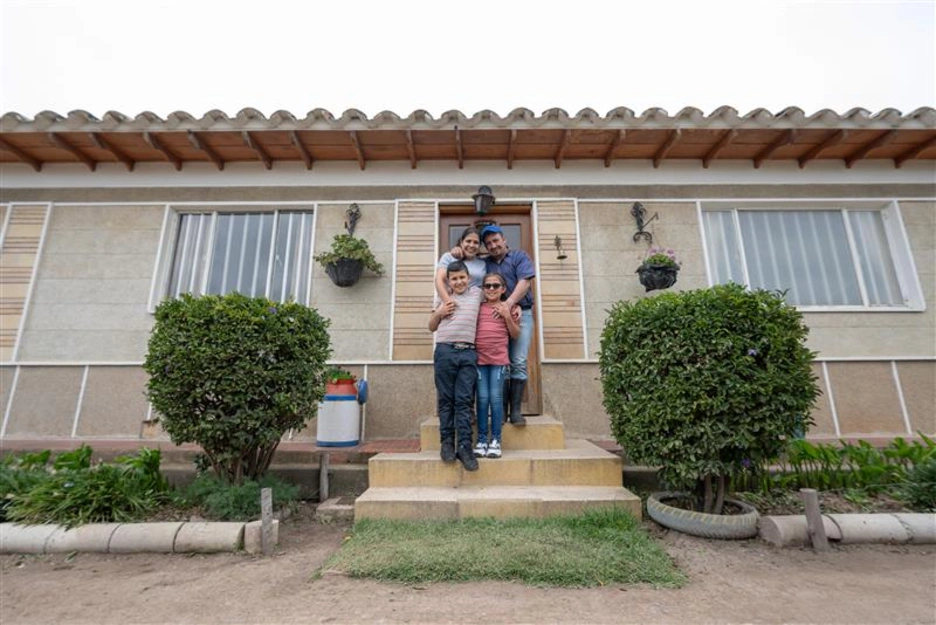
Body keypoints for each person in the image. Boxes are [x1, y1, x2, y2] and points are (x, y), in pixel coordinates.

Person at [428, 261, 482, 471]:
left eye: (462, 277)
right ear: (448, 281)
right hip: (445, 351)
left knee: (464, 400)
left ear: (468, 278)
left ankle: (465, 446)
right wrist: (439, 312)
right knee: (446, 400)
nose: (459, 282)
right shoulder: (443, 298)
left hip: (468, 352)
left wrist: (513, 310)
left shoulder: (477, 293)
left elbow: (496, 297)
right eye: (454, 279)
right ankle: (447, 443)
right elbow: (431, 327)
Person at [479, 224, 535, 426]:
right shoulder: (485, 264)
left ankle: (516, 412)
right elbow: (466, 267)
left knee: (518, 360)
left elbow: (525, 282)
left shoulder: (520, 257)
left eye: (496, 240)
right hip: (494, 315)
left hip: (522, 313)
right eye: (488, 243)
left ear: (504, 240)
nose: (493, 246)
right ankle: (501, 411)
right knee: (502, 363)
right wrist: (455, 252)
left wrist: (510, 304)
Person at [473, 272, 519, 459]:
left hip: (499, 360)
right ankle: (482, 439)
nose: (491, 289)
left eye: (495, 285)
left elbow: (515, 335)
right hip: (479, 360)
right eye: (487, 286)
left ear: (503, 289)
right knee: (482, 398)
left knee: (495, 398)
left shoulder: (510, 307)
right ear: (483, 289)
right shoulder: (477, 308)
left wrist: (507, 315)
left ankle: (496, 440)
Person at [435, 226, 485, 305]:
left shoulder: (483, 263)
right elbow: (439, 280)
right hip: (450, 302)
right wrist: (448, 302)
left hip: (473, 306)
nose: (471, 245)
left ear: (480, 246)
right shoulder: (449, 257)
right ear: (461, 242)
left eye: (476, 242)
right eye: (468, 241)